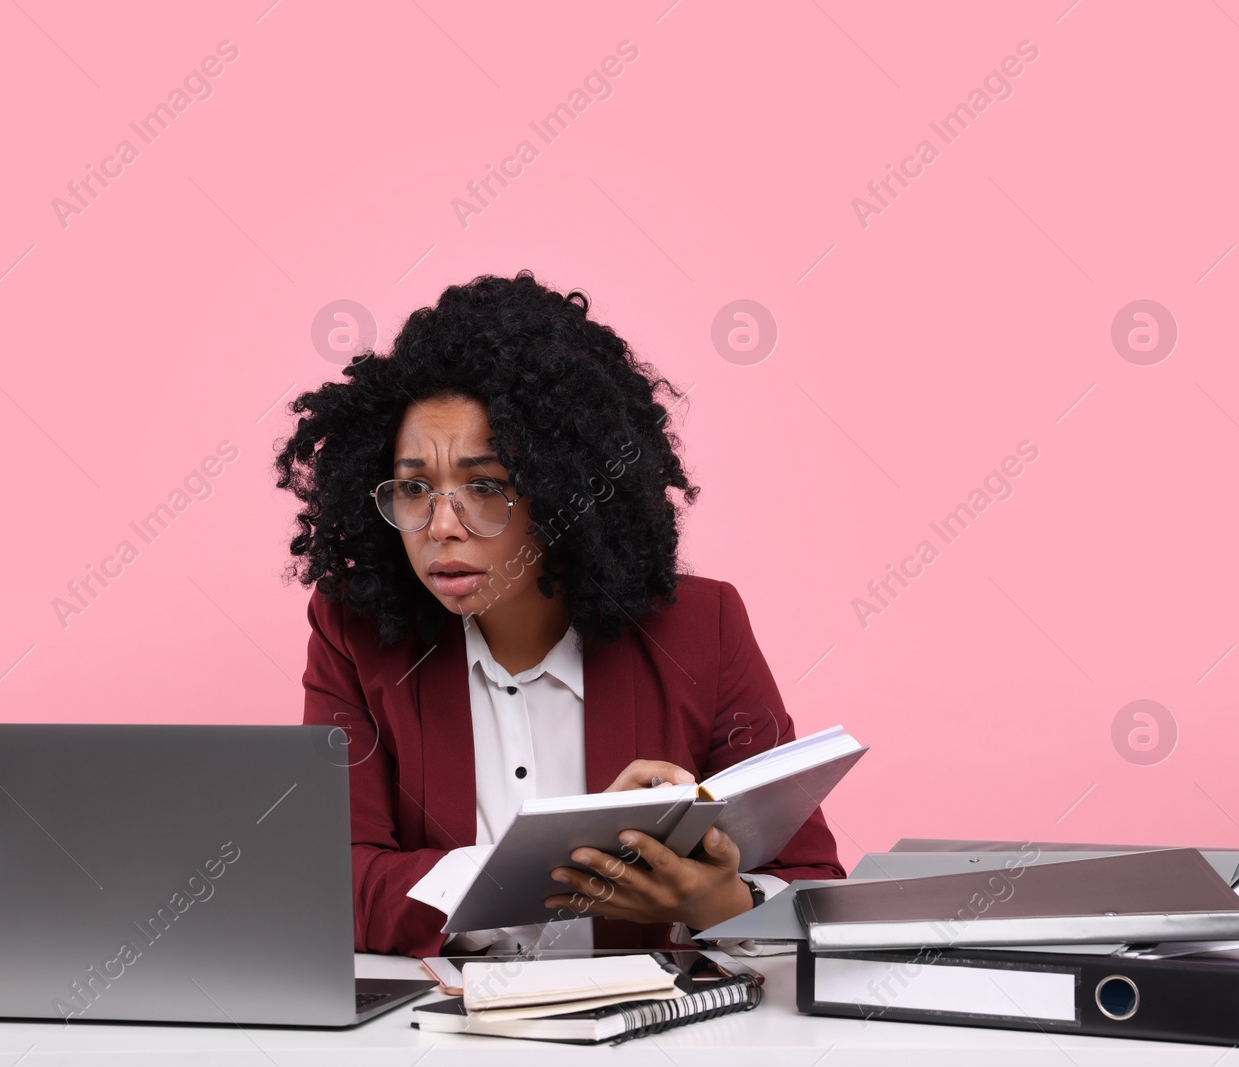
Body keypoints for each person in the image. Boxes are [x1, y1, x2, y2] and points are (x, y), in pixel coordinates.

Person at [274, 271, 843, 958]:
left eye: (486, 486)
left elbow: (809, 884)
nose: (441, 524)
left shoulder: (702, 629)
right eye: (415, 486)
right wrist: (571, 861)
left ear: (562, 488)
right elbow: (331, 882)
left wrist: (712, 900)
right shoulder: (356, 635)